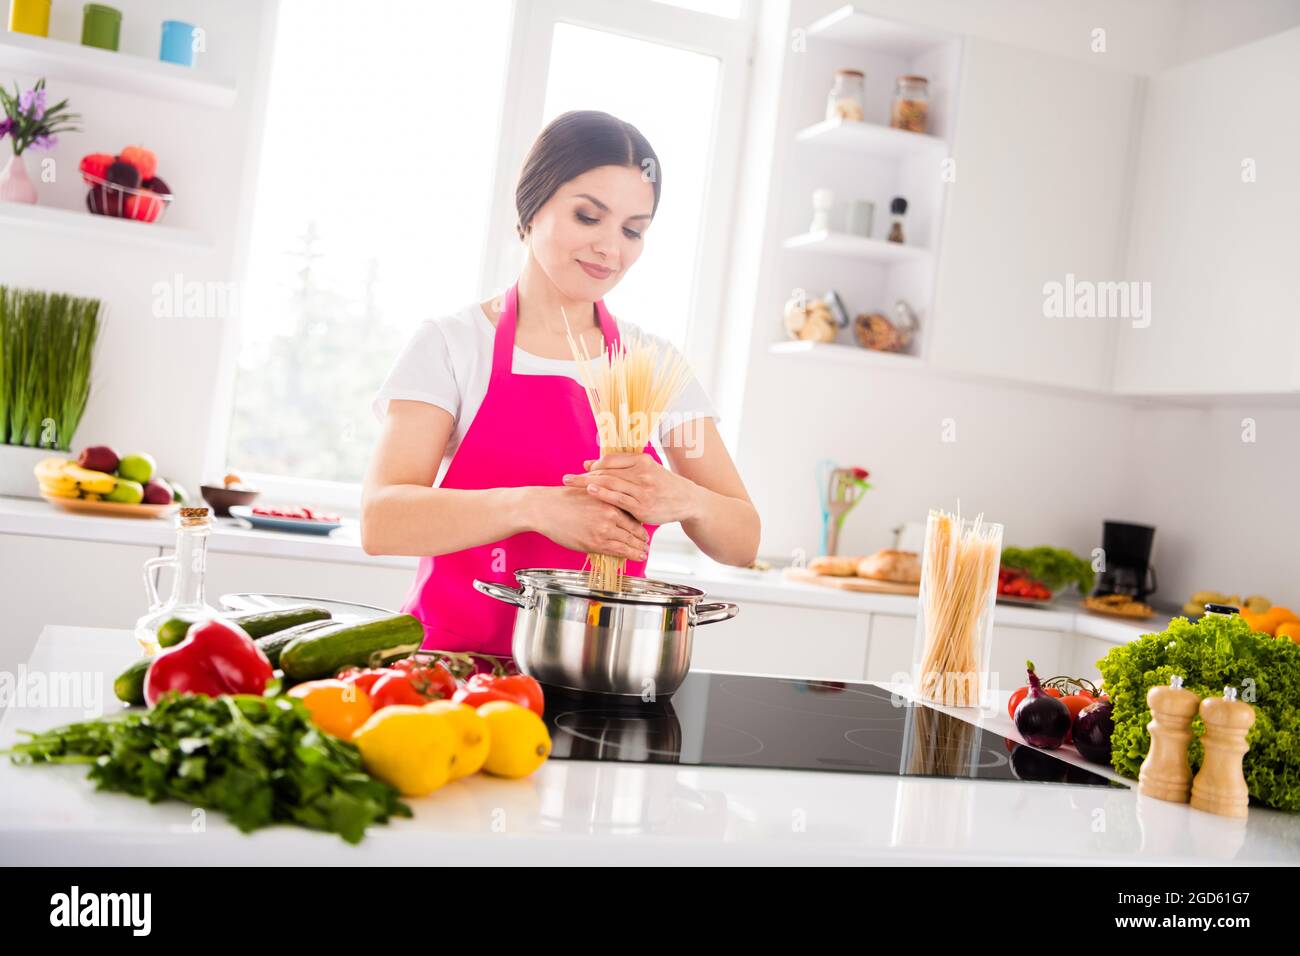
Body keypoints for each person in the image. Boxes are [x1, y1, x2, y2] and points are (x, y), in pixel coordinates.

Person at [362, 110, 759, 654]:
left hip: (599, 675)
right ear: (531, 205)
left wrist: (686, 498)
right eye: (588, 216)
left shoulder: (652, 365)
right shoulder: (453, 344)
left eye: (633, 230)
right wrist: (532, 508)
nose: (610, 249)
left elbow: (742, 541)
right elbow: (381, 521)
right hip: (453, 671)